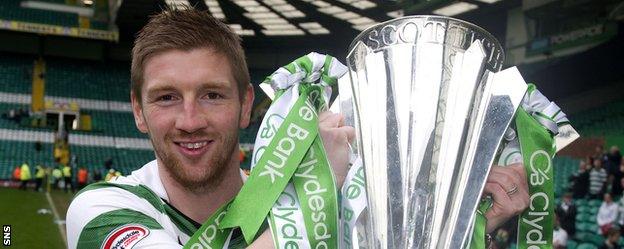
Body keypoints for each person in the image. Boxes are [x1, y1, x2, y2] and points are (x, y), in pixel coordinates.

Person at [66, 8, 530, 248]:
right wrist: (313, 186)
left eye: (213, 94)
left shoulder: (323, 206)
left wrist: (465, 228)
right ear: (138, 111)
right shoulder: (107, 208)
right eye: (166, 97)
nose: (190, 120)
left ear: (247, 104)